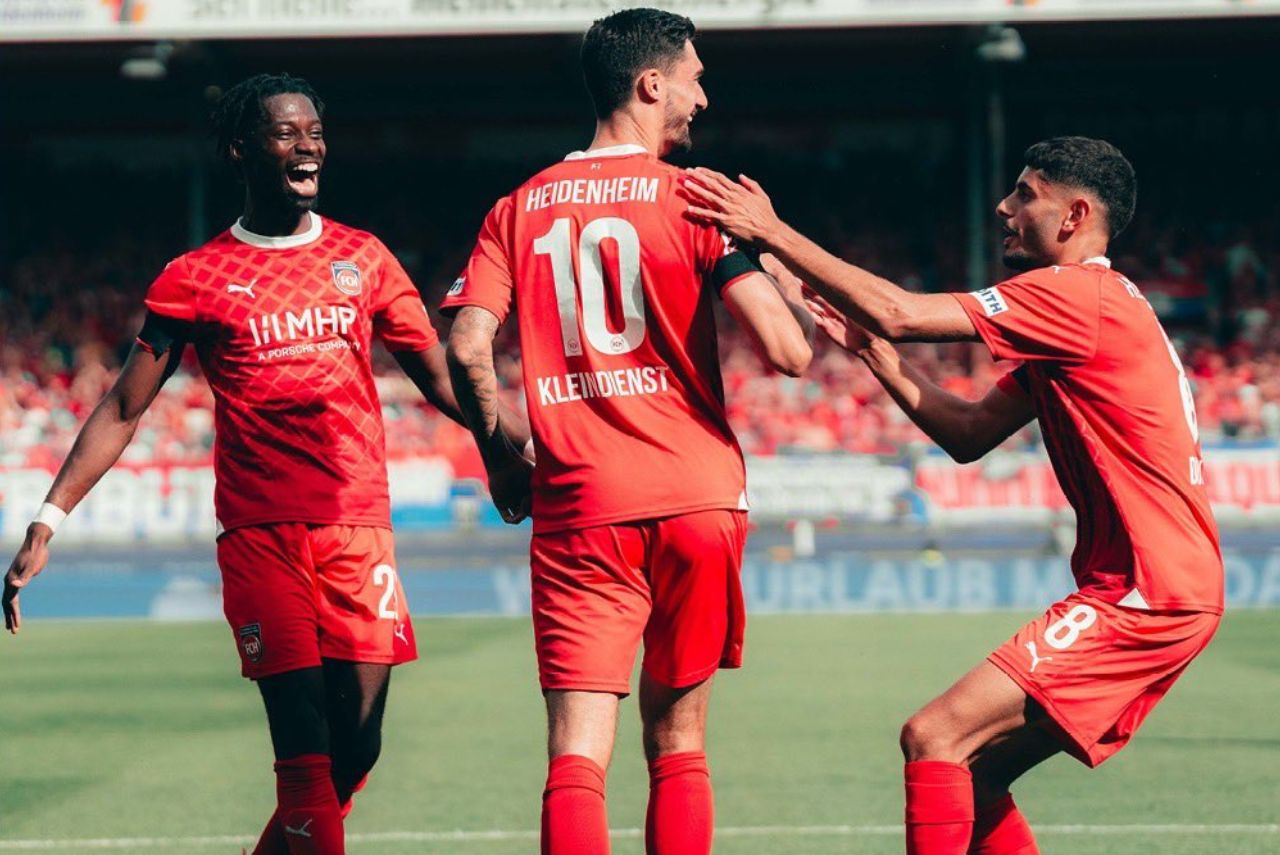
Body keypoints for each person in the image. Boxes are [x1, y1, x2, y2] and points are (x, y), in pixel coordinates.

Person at [2, 73, 524, 855]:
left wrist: (512, 446)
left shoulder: (364, 257)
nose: (308, 145)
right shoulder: (195, 277)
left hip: (359, 531)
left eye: (315, 131)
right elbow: (121, 407)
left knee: (358, 747)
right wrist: (48, 518)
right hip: (261, 536)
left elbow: (441, 376)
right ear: (243, 149)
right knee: (305, 757)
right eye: (287, 132)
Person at [684, 136, 1223, 854]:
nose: (1004, 206)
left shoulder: (1075, 294)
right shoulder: (1087, 313)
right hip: (1155, 585)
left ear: (1075, 216)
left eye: (1026, 193)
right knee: (971, 774)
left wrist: (772, 231)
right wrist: (874, 352)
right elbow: (968, 431)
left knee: (934, 735)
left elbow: (903, 311)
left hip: (1147, 590)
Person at [443, 9, 814, 855]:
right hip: (697, 495)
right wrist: (781, 272)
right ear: (651, 85)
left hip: (581, 505)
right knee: (678, 742)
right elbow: (790, 352)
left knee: (577, 753)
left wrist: (503, 460)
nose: (702, 99)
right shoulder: (697, 197)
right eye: (695, 78)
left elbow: (466, 346)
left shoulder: (519, 206)